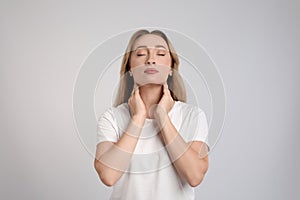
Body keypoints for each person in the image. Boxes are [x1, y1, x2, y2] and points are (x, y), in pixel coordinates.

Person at [94, 29, 210, 200]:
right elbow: (108, 176)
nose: (151, 60)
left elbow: (194, 176)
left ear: (171, 68)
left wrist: (162, 117)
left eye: (161, 53)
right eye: (141, 54)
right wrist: (138, 118)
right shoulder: (112, 118)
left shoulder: (193, 116)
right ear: (130, 69)